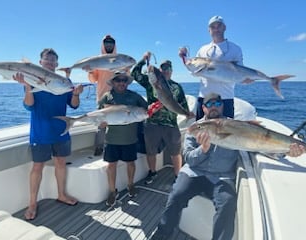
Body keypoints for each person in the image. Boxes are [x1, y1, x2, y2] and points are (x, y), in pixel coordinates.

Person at [150, 92, 305, 240]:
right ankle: (163, 232)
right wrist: (203, 149)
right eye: (209, 104)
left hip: (222, 177)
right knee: (176, 194)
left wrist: (287, 152)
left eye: (217, 103)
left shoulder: (233, 125)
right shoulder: (196, 127)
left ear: (222, 106)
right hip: (193, 173)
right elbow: (189, 159)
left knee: (227, 204)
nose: (213, 106)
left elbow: (258, 144)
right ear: (203, 108)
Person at [13, 48, 84, 220]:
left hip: (61, 131)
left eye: (53, 61)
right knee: (38, 166)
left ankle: (61, 194)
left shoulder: (64, 81)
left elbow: (74, 105)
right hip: (40, 132)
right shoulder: (32, 80)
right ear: (41, 62)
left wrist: (75, 93)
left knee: (60, 163)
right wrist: (27, 87)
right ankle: (32, 204)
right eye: (47, 60)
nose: (51, 63)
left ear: (57, 64)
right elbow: (29, 105)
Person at [131, 54, 193, 184]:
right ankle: (152, 172)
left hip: (171, 124)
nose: (165, 71)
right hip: (152, 123)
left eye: (167, 69)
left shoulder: (177, 87)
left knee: (175, 152)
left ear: (171, 71)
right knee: (151, 151)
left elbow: (183, 105)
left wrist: (188, 114)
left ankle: (178, 175)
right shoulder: (150, 83)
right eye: (162, 69)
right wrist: (143, 60)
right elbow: (134, 74)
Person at [98, 71, 148, 207]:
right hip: (111, 139)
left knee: (131, 163)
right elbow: (98, 114)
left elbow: (146, 109)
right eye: (118, 80)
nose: (121, 83)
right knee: (111, 165)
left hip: (130, 138)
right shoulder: (106, 97)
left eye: (124, 80)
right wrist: (101, 123)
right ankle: (112, 191)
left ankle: (130, 185)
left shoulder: (134, 96)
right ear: (113, 82)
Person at [194, 15, 246, 120]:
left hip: (225, 98)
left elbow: (240, 72)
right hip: (204, 98)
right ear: (209, 30)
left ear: (224, 28)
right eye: (213, 27)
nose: (216, 29)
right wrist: (183, 57)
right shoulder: (202, 50)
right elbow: (194, 69)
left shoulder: (235, 49)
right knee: (200, 132)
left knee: (225, 134)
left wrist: (245, 79)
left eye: (219, 26)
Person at [88, 35, 117, 156]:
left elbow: (126, 77)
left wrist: (127, 69)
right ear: (103, 45)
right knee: (101, 124)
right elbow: (93, 79)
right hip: (102, 97)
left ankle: (113, 147)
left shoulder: (119, 59)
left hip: (118, 98)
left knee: (116, 123)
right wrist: (90, 71)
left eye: (111, 43)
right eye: (106, 43)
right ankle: (99, 148)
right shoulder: (98, 61)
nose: (109, 45)